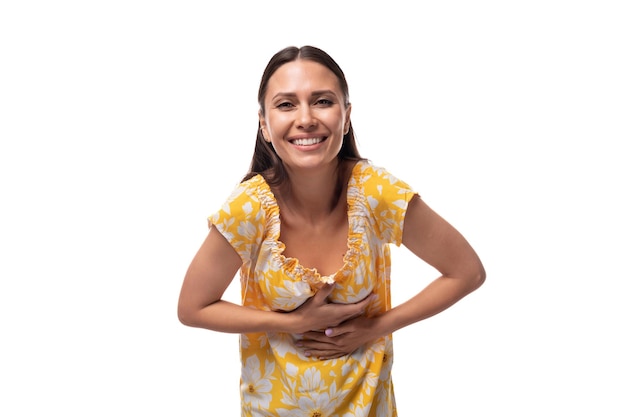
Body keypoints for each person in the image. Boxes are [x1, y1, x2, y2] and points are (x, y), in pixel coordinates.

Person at [177, 45, 486, 416]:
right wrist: (293, 322)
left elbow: (466, 272)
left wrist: (376, 327)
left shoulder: (375, 192)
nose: (305, 119)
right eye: (286, 104)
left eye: (322, 101)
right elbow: (193, 307)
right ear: (264, 124)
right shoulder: (249, 207)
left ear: (347, 116)